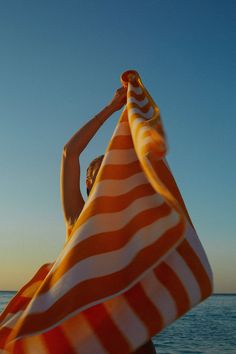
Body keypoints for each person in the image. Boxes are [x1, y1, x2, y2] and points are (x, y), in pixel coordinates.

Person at [60, 86, 156, 354]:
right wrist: (112, 108)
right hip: (91, 338)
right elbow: (69, 153)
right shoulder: (77, 220)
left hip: (133, 336)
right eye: (102, 177)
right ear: (90, 186)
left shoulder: (130, 225)